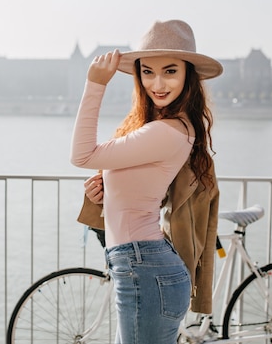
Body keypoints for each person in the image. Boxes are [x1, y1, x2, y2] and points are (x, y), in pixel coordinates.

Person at [70, 19, 222, 343]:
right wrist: (104, 190)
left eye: (170, 71)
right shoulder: (162, 126)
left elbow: (82, 155)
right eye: (147, 72)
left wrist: (95, 84)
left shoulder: (167, 131)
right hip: (140, 266)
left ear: (188, 76)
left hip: (146, 268)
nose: (158, 83)